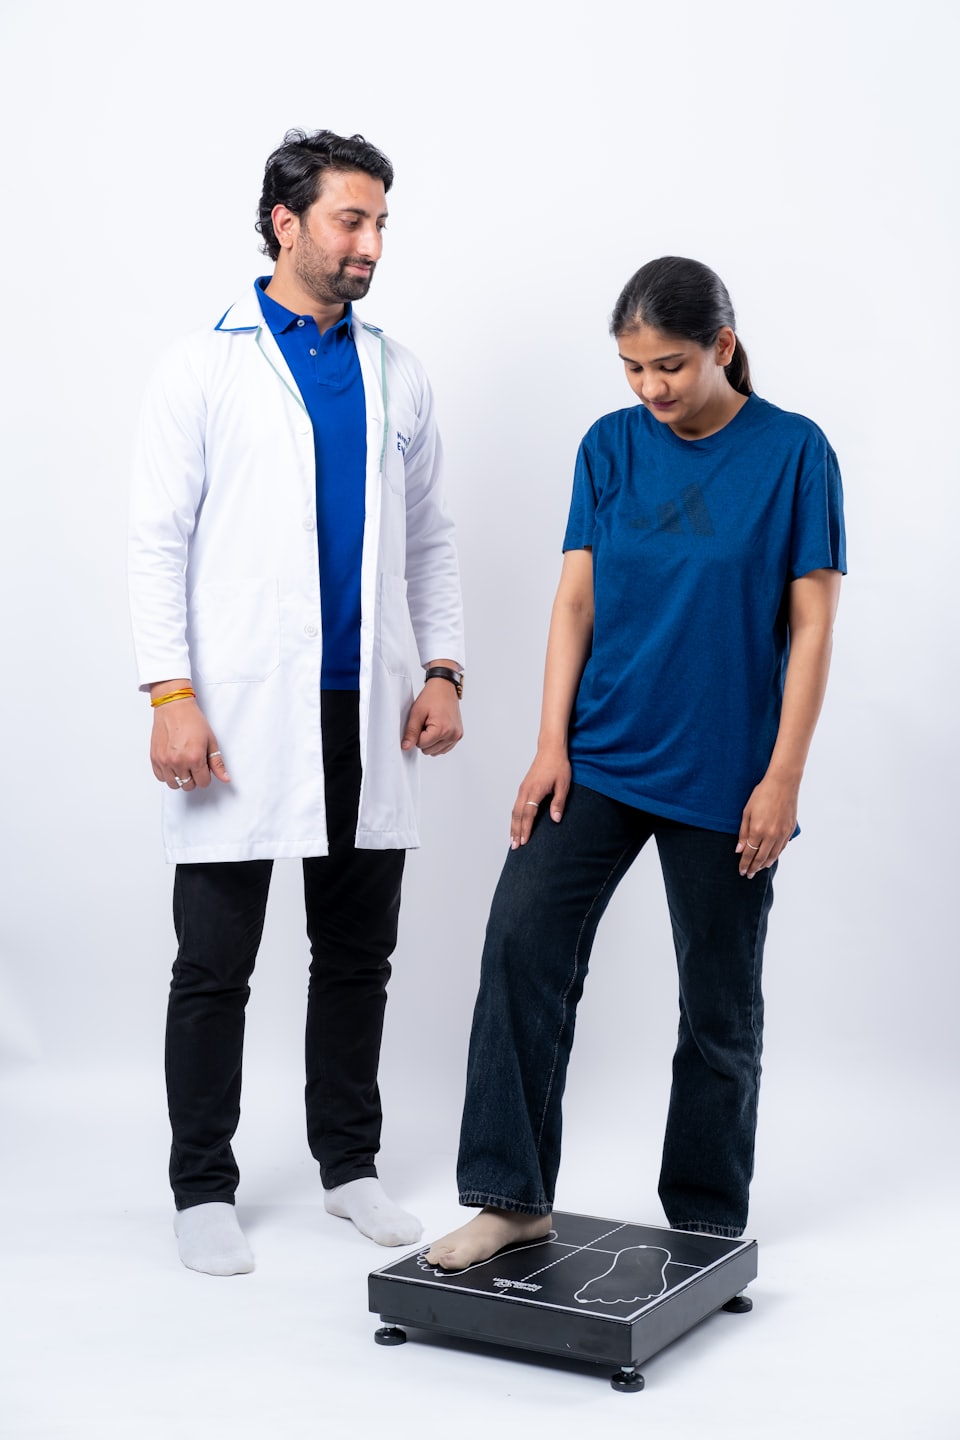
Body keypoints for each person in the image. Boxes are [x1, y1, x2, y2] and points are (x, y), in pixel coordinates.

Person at [425, 256, 844, 1270]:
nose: (651, 387)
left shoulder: (795, 453)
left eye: (670, 366)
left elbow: (813, 627)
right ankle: (510, 1197)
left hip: (726, 775)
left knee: (718, 1003)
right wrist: (550, 746)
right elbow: (576, 600)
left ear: (721, 347)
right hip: (601, 759)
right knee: (521, 947)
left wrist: (783, 778)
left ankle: (703, 1222)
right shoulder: (608, 447)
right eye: (632, 367)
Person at [129, 129, 465, 1277]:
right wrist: (170, 694)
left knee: (357, 953)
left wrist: (443, 669)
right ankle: (201, 1185)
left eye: (380, 224)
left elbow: (431, 537)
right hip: (235, 710)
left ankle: (349, 1165)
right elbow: (156, 542)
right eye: (350, 220)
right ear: (287, 222)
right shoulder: (201, 367)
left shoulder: (397, 371)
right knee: (214, 959)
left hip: (366, 705)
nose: (371, 244)